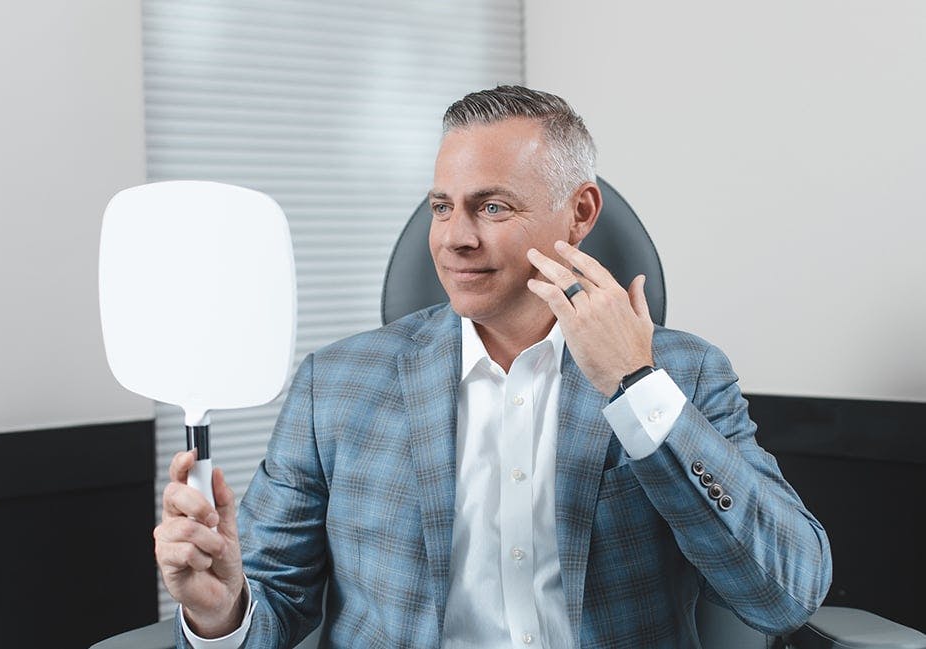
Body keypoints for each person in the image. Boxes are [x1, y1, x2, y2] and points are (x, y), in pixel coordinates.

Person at [155, 85, 832, 648]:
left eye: (493, 206)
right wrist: (221, 611)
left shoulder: (684, 373)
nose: (455, 237)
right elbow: (272, 606)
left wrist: (636, 386)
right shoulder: (334, 386)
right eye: (442, 207)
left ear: (580, 213)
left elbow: (785, 593)